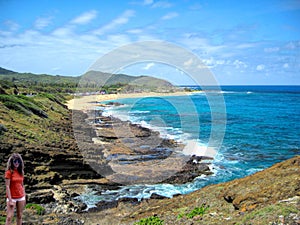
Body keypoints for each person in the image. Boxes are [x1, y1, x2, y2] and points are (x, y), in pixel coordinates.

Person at [5, 153, 26, 225]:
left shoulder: (21, 172)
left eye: (18, 161)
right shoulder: (9, 172)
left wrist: (24, 197)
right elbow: (7, 186)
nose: (17, 163)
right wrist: (10, 200)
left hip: (21, 197)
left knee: (19, 216)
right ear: (12, 162)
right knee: (9, 217)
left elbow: (22, 185)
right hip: (12, 197)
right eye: (15, 161)